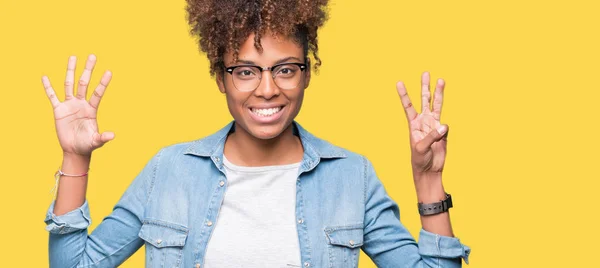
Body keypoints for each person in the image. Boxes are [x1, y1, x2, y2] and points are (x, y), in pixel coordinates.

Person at [42, 0, 470, 267]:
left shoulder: (351, 178)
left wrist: (428, 180)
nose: (268, 89)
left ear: (306, 74)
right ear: (220, 77)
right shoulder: (169, 172)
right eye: (245, 71)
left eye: (285, 69)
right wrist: (76, 159)